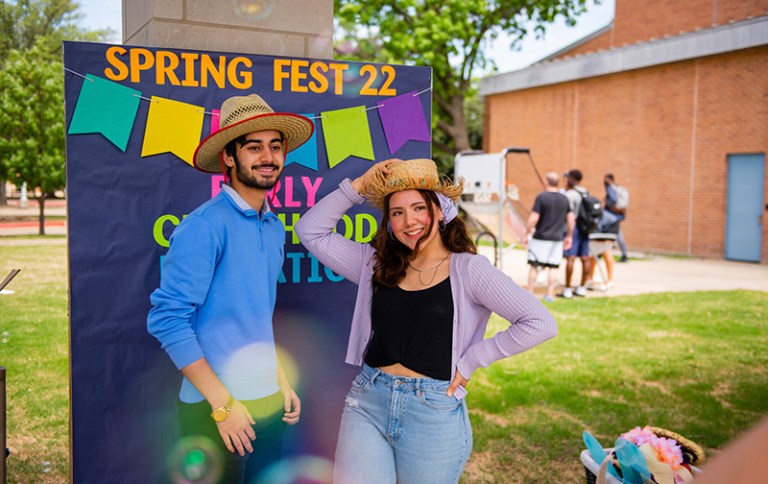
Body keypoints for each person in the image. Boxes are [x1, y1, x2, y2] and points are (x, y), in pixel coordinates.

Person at [295, 158, 558, 483]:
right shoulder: (375, 264)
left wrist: (474, 359)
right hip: (369, 401)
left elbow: (539, 322)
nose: (409, 221)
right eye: (397, 212)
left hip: (432, 411)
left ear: (439, 210)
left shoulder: (469, 270)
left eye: (419, 208)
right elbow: (311, 231)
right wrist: (359, 186)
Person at [147, 94, 312, 483]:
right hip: (214, 410)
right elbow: (168, 321)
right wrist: (223, 407)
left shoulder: (273, 227)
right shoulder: (204, 226)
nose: (267, 156)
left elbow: (253, 316)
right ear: (229, 158)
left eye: (275, 146)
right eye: (253, 147)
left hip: (268, 403)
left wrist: (280, 380)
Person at [524, 172, 574, 302]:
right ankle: (550, 294)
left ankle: (529, 294)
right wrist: (569, 236)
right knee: (553, 266)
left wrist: (527, 232)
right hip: (557, 239)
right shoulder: (564, 198)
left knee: (534, 266)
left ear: (546, 181)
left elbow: (534, 218)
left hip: (540, 237)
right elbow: (571, 219)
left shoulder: (542, 197)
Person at [561, 169, 593, 298]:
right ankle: (581, 288)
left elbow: (568, 215)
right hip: (586, 228)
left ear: (572, 179)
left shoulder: (570, 194)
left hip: (574, 228)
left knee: (571, 258)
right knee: (585, 258)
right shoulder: (585, 191)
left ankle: (567, 289)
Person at [601, 173, 629, 262]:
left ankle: (601, 253)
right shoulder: (616, 188)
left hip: (611, 217)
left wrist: (607, 202)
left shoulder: (611, 188)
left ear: (610, 179)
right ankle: (624, 254)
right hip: (616, 217)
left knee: (606, 235)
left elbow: (613, 200)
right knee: (618, 235)